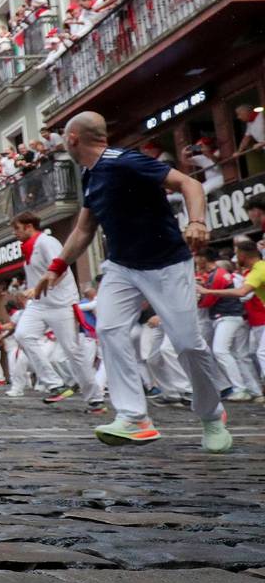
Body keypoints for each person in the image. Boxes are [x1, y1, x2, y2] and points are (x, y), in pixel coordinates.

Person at [34, 111, 232, 452]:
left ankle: (212, 415)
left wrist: (197, 221)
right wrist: (55, 267)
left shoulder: (124, 161)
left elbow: (190, 183)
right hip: (122, 266)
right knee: (109, 330)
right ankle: (134, 417)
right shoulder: (91, 175)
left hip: (167, 263)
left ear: (72, 139)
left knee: (187, 343)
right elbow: (84, 228)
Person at [12, 212, 105, 411]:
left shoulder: (47, 242)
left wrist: (36, 287)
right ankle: (56, 385)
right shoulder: (28, 248)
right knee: (22, 335)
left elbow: (61, 269)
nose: (15, 233)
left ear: (29, 226)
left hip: (61, 303)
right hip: (39, 304)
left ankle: (95, 398)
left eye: (17, 229)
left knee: (72, 351)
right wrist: (33, 290)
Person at [198, 240, 265, 395]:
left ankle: (243, 389)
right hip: (252, 320)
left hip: (246, 318)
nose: (236, 258)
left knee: (261, 353)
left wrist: (208, 292)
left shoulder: (258, 270)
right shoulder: (259, 268)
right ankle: (253, 390)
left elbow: (241, 293)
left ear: (242, 254)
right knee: (255, 352)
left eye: (237, 254)